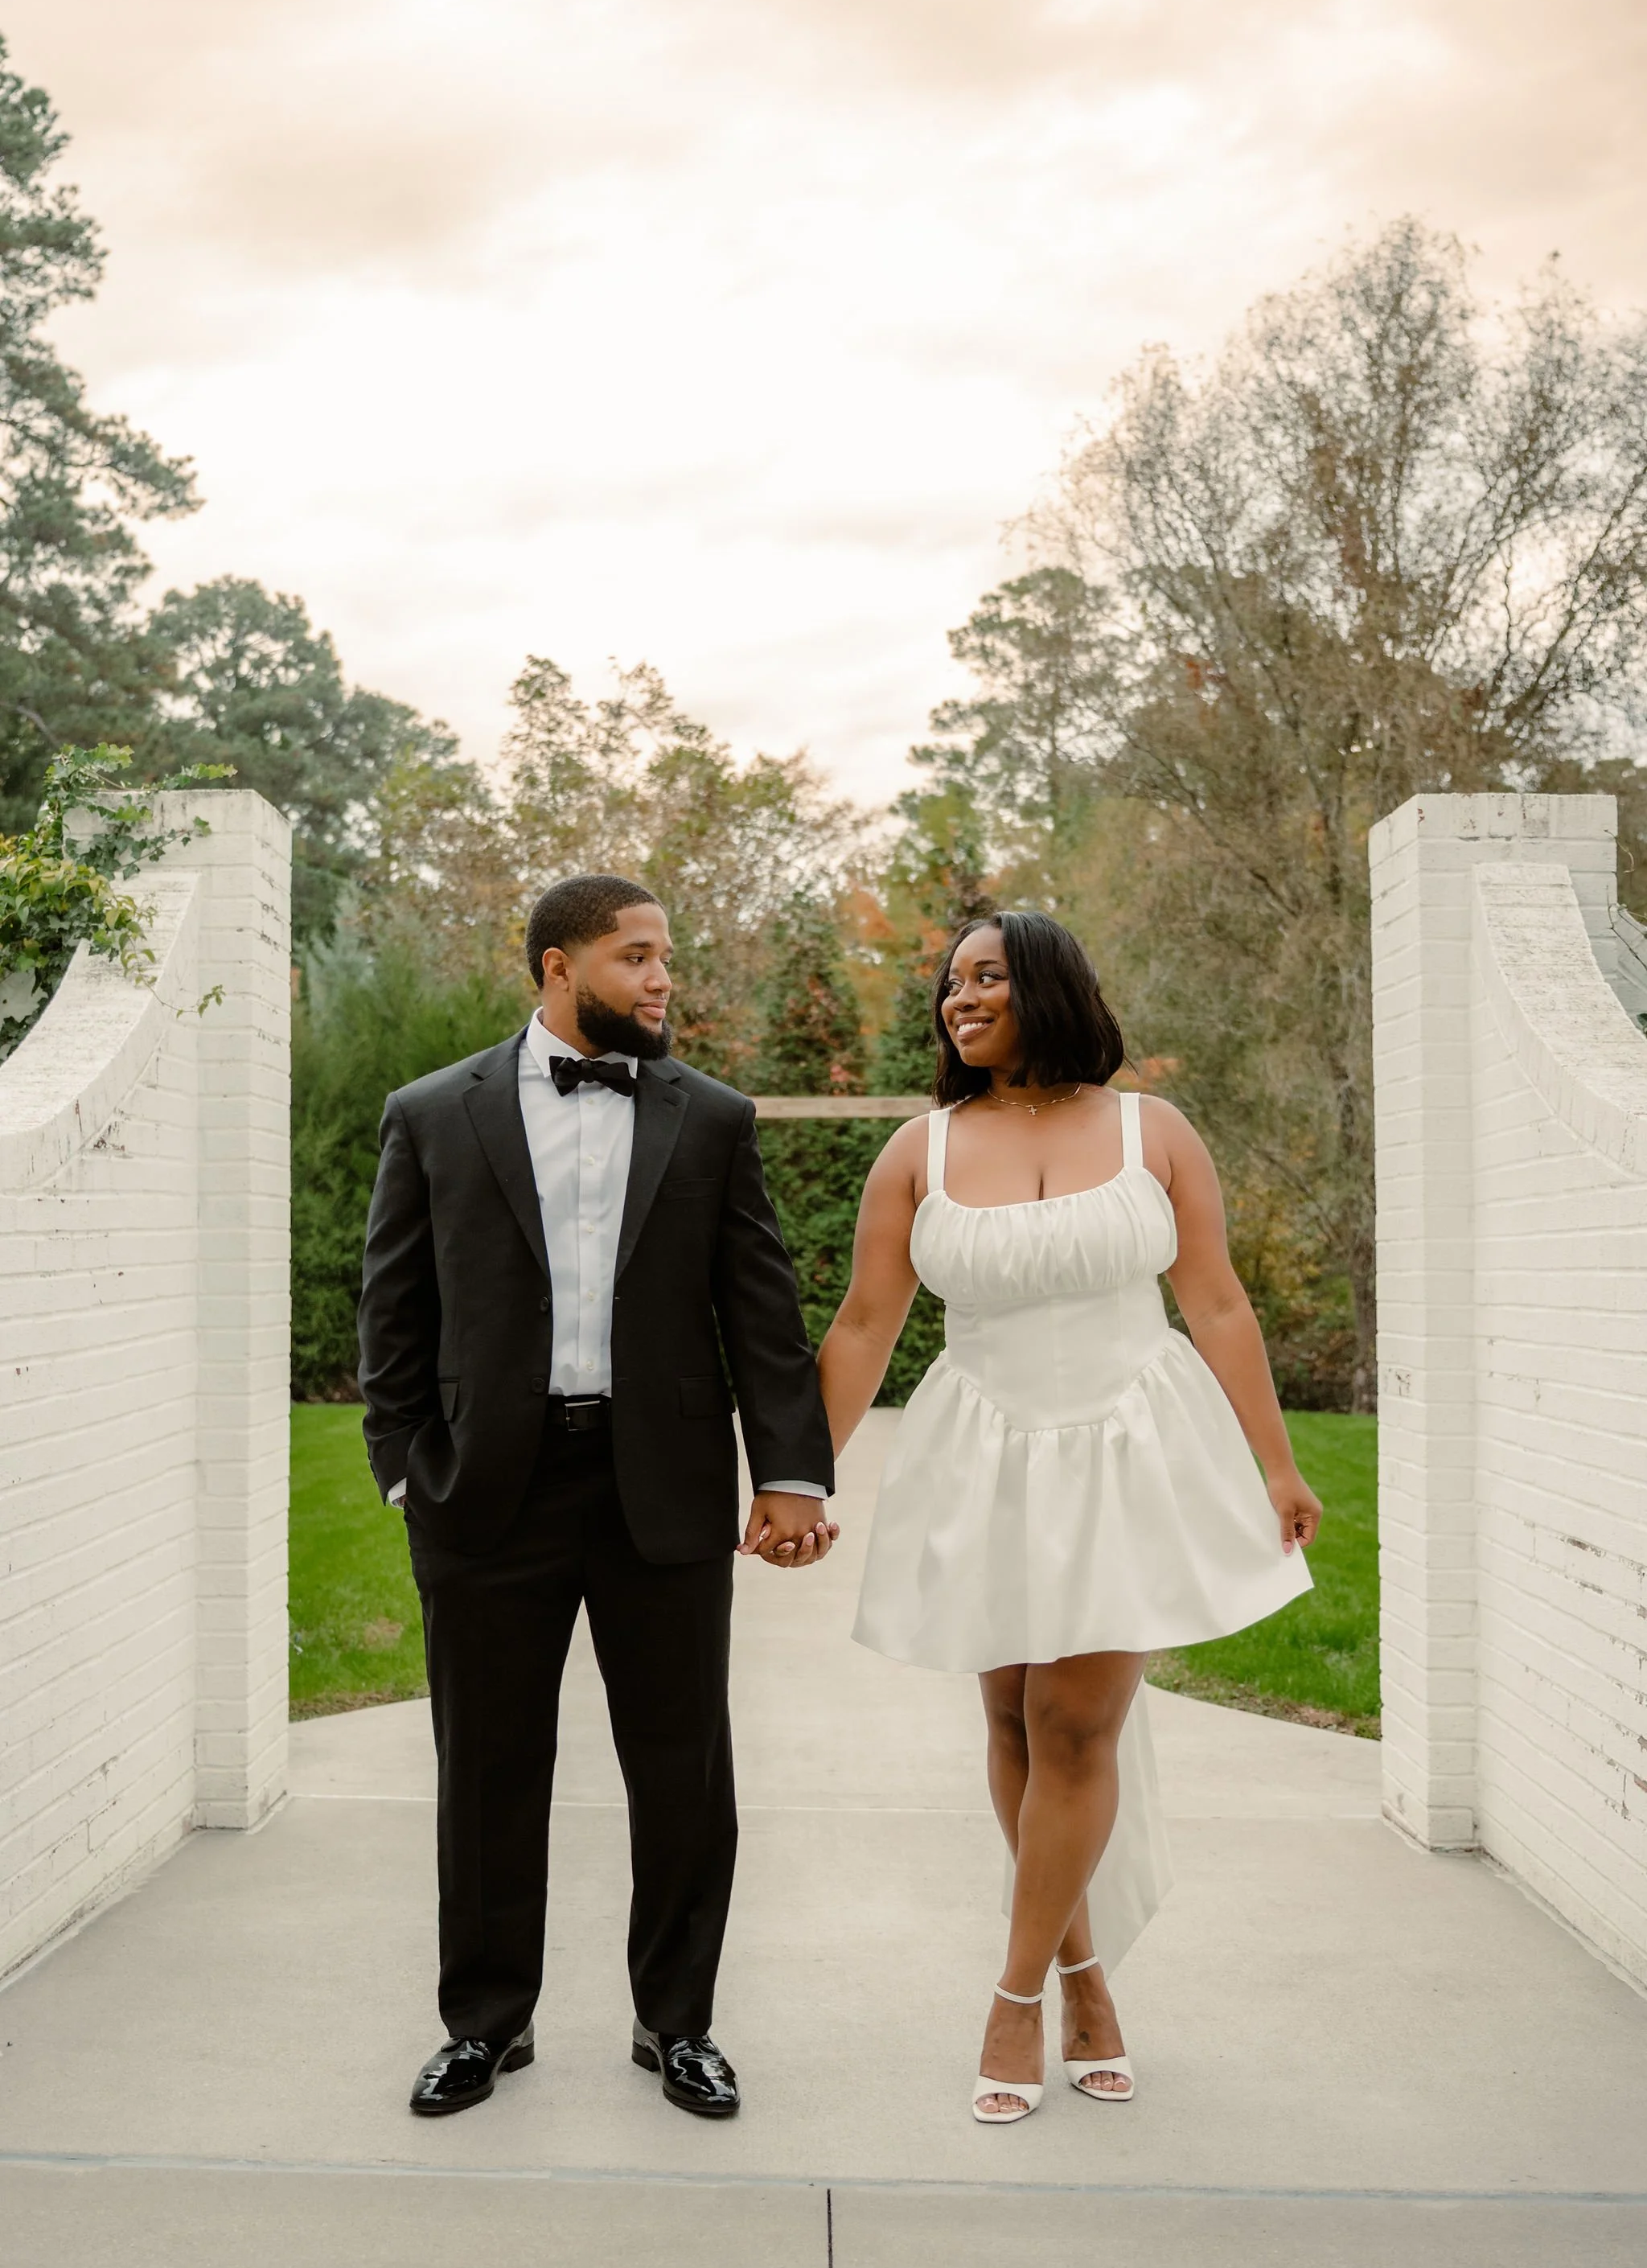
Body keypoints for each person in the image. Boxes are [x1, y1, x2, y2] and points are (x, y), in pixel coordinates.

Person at [818, 911, 1320, 2123]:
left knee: (1074, 1721)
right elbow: (862, 1327)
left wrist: (1279, 1467)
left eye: (986, 976)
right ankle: (1086, 1971)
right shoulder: (918, 1152)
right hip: (982, 1449)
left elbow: (1218, 1302)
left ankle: (1015, 1995)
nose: (958, 998)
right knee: (1011, 1717)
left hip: (1131, 1447)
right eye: (949, 983)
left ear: (1049, 986)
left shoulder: (1158, 1131)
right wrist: (800, 1478)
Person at [357, 874, 837, 2122]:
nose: (663, 978)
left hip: (661, 1489)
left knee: (684, 1771)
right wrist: (406, 1466)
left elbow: (763, 1313)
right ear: (560, 969)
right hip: (486, 1495)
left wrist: (790, 1471)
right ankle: (484, 2026)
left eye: (667, 955)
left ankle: (677, 2024)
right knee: (488, 1767)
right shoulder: (432, 1114)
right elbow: (393, 1311)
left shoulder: (714, 1119)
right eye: (637, 957)